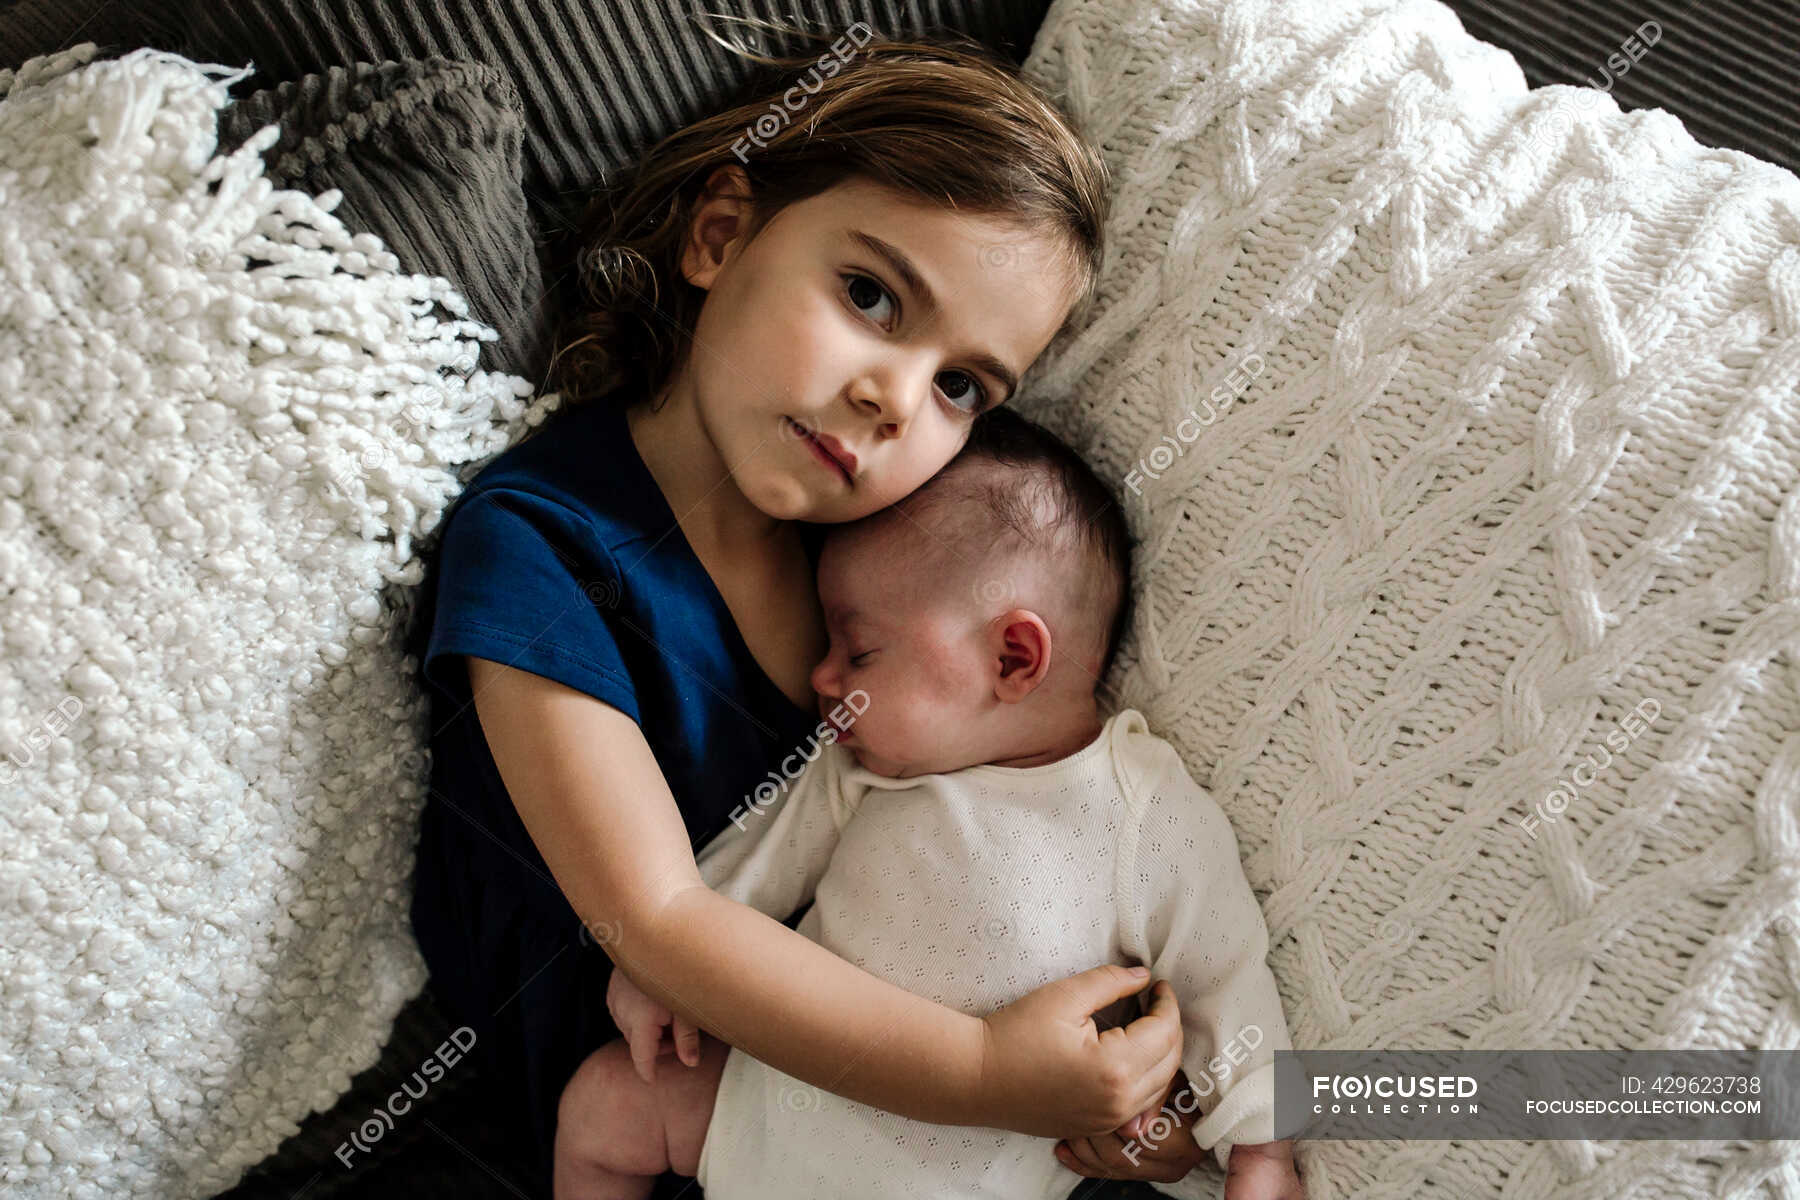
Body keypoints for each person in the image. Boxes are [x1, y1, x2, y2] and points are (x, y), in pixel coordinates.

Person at [406, 26, 1197, 1195]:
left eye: (960, 386)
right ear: (721, 234)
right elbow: (660, 920)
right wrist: (988, 1074)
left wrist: (1141, 1097)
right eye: (872, 295)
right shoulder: (541, 544)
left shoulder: (900, 568)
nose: (892, 399)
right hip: (649, 1127)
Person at [553, 408, 1306, 1199]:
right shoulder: (866, 766)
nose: (823, 678)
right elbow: (761, 854)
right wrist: (662, 965)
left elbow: (1226, 970)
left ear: (1014, 657)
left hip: (944, 1180)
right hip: (762, 1112)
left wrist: (1262, 1150)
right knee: (606, 1107)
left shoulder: (1141, 810)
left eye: (861, 649)